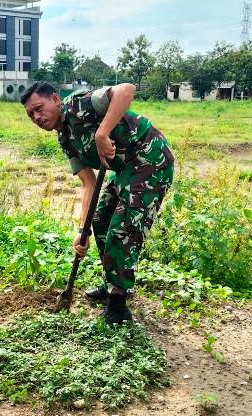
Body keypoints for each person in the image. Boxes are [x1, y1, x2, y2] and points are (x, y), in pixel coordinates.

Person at [20, 81, 174, 324]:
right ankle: (113, 282)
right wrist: (83, 231)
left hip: (149, 158)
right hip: (124, 168)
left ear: (56, 99)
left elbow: (127, 90)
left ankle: (118, 306)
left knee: (121, 229)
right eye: (31, 115)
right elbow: (88, 183)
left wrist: (102, 132)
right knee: (101, 222)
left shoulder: (80, 103)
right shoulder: (65, 138)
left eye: (39, 108)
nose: (37, 117)